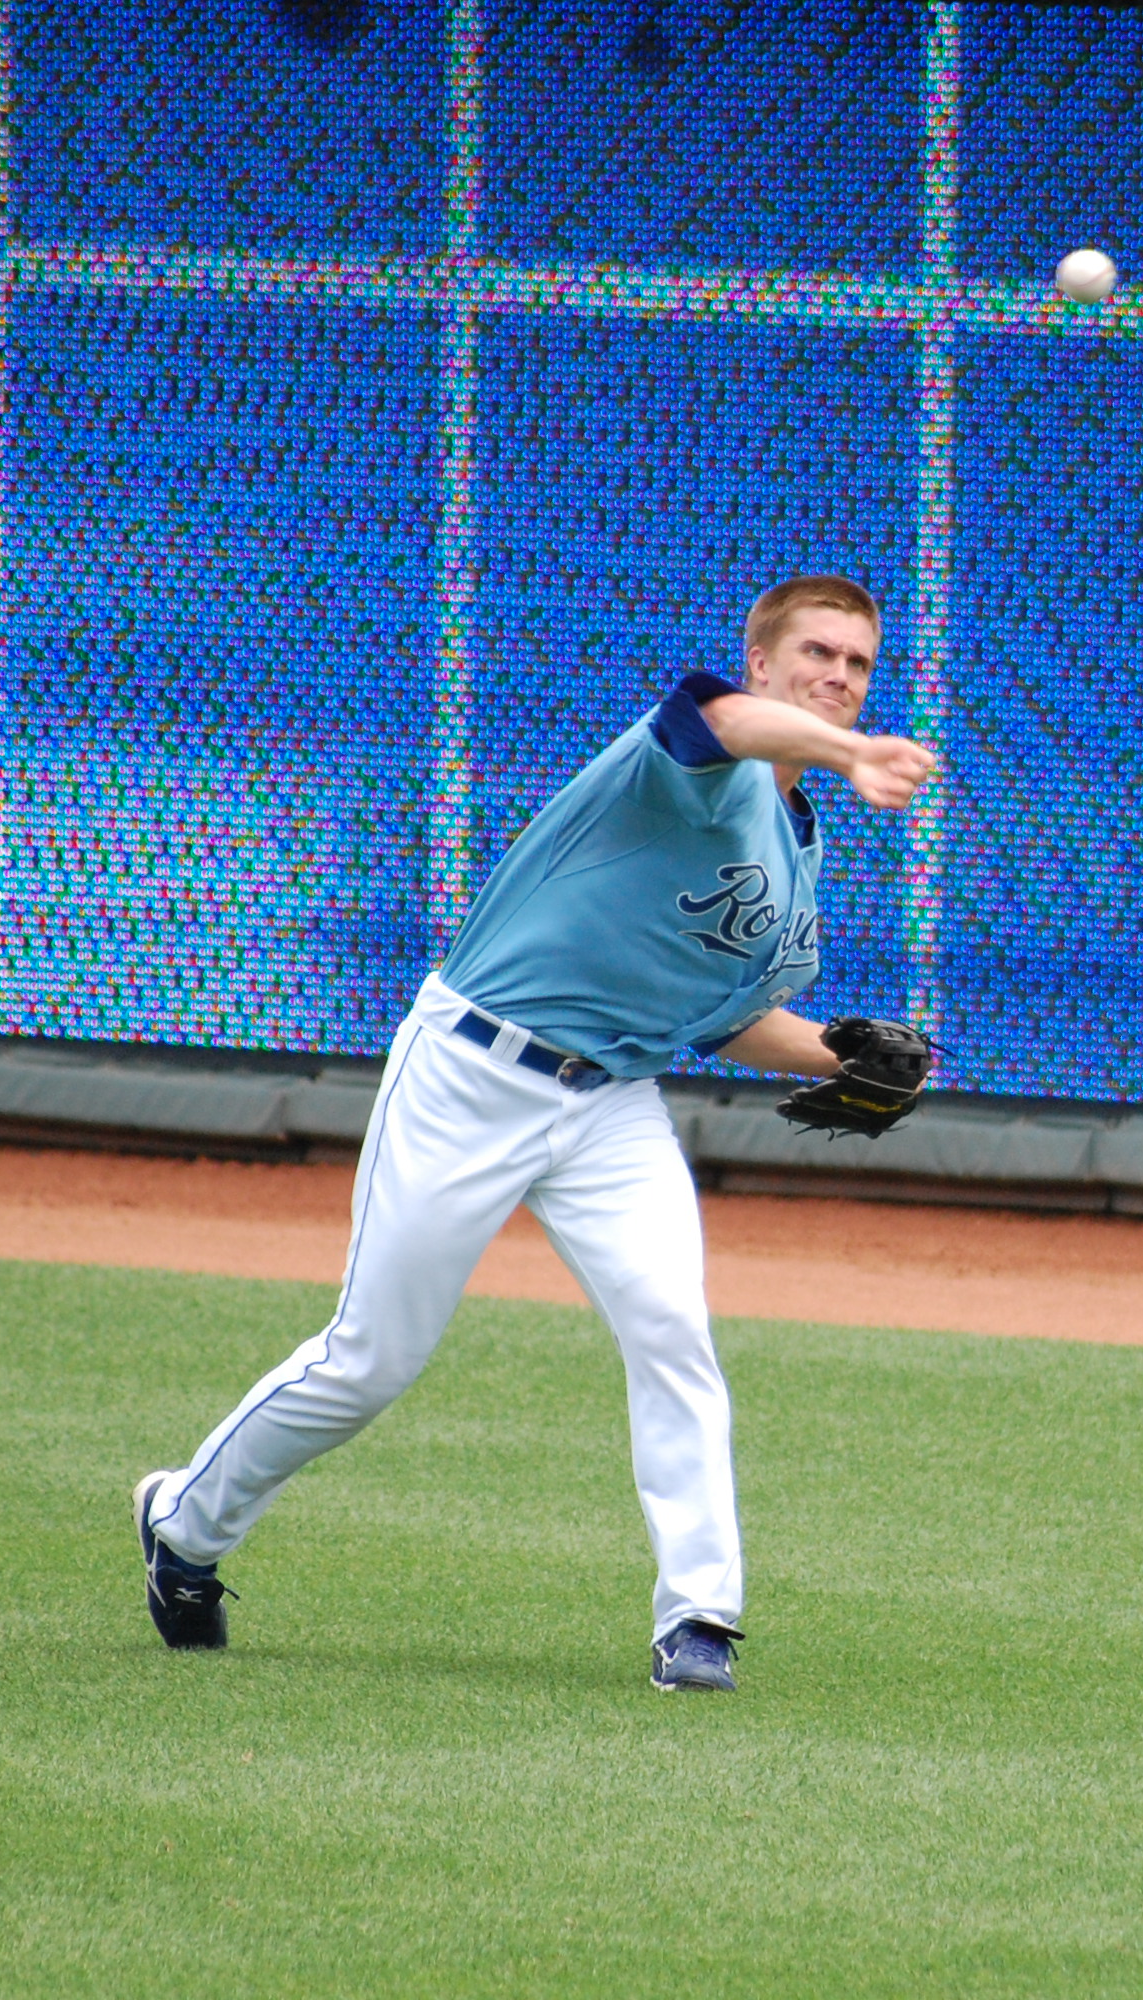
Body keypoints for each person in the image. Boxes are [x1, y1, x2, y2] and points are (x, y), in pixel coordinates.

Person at [134, 576, 936, 1691]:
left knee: (672, 1332)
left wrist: (841, 1055)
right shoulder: (703, 755)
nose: (837, 676)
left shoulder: (796, 854)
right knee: (372, 1358)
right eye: (816, 652)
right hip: (472, 1065)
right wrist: (850, 754)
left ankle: (698, 1619)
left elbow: (726, 1019)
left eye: (856, 662)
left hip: (610, 1101)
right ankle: (183, 1523)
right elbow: (720, 720)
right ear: (761, 660)